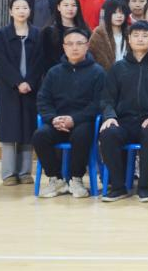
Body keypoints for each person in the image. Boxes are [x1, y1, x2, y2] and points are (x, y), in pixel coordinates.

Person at [98, 21, 148, 203]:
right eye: (136, 35)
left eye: (145, 35)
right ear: (129, 39)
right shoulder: (118, 67)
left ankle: (144, 187)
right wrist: (109, 116)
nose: (140, 39)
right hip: (124, 121)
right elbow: (106, 98)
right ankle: (118, 187)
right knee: (108, 133)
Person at [32, 27, 106, 198]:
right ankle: (56, 179)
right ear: (64, 47)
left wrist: (74, 119)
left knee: (81, 135)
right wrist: (53, 119)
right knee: (39, 136)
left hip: (83, 122)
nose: (74, 48)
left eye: (79, 43)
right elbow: (43, 100)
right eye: (70, 44)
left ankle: (76, 179)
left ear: (87, 46)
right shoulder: (54, 72)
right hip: (57, 122)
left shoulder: (98, 72)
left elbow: (99, 104)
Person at [0, 0, 43, 185]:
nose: (21, 11)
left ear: (29, 11)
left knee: (28, 128)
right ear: (10, 12)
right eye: (17, 7)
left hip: (31, 88)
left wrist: (29, 82)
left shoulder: (37, 34)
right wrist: (17, 82)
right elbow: (1, 61)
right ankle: (8, 173)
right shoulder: (2, 34)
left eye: (25, 7)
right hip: (9, 89)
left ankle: (24, 172)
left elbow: (39, 61)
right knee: (10, 128)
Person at [39, 0, 82, 72]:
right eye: (66, 5)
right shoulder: (49, 31)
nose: (70, 8)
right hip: (55, 74)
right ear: (58, 7)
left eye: (73, 5)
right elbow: (44, 59)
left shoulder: (83, 30)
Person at [89, 0, 128, 71]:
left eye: (122, 13)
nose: (119, 16)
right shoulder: (99, 34)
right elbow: (92, 57)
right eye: (115, 13)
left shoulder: (129, 33)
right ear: (108, 14)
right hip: (105, 75)